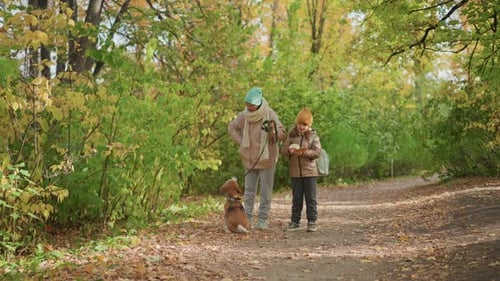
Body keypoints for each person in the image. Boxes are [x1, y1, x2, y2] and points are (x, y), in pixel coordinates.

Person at [228, 87, 286, 230]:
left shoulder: (270, 113)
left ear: (258, 103)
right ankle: (246, 217)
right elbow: (231, 128)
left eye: (251, 105)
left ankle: (263, 219)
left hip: (267, 159)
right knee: (248, 191)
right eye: (247, 104)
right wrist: (242, 141)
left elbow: (283, 133)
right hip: (249, 158)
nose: (249, 107)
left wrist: (274, 131)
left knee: (266, 191)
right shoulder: (244, 115)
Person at [281, 107, 321, 232]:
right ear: (296, 123)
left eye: (305, 124)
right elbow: (282, 150)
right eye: (300, 124)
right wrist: (289, 151)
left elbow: (317, 152)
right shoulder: (291, 135)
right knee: (296, 198)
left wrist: (302, 153)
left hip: (310, 172)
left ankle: (312, 221)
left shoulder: (313, 137)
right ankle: (295, 221)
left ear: (309, 125)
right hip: (295, 173)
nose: (302, 127)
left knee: (311, 198)